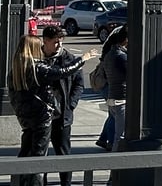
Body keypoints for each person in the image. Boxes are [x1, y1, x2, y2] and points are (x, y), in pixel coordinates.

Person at [8, 34, 98, 186]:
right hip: (41, 117)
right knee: (39, 156)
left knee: (26, 152)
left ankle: (21, 182)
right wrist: (83, 58)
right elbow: (62, 72)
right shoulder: (37, 67)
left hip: (25, 117)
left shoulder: (16, 68)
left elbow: (12, 95)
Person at [40, 25, 85, 186]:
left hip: (62, 115)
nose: (59, 45)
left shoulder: (69, 59)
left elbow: (79, 84)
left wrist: (71, 105)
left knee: (64, 154)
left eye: (60, 42)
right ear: (45, 41)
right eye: (55, 42)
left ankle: (66, 183)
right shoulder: (37, 57)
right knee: (40, 154)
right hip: (41, 115)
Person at [95, 27, 124, 150]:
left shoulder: (109, 54)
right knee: (115, 118)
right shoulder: (118, 56)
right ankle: (110, 143)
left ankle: (104, 139)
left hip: (108, 86)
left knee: (112, 114)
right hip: (115, 90)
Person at [102, 26, 128, 151]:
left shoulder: (109, 55)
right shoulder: (121, 57)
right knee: (120, 136)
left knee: (117, 134)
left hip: (112, 96)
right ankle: (116, 166)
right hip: (122, 99)